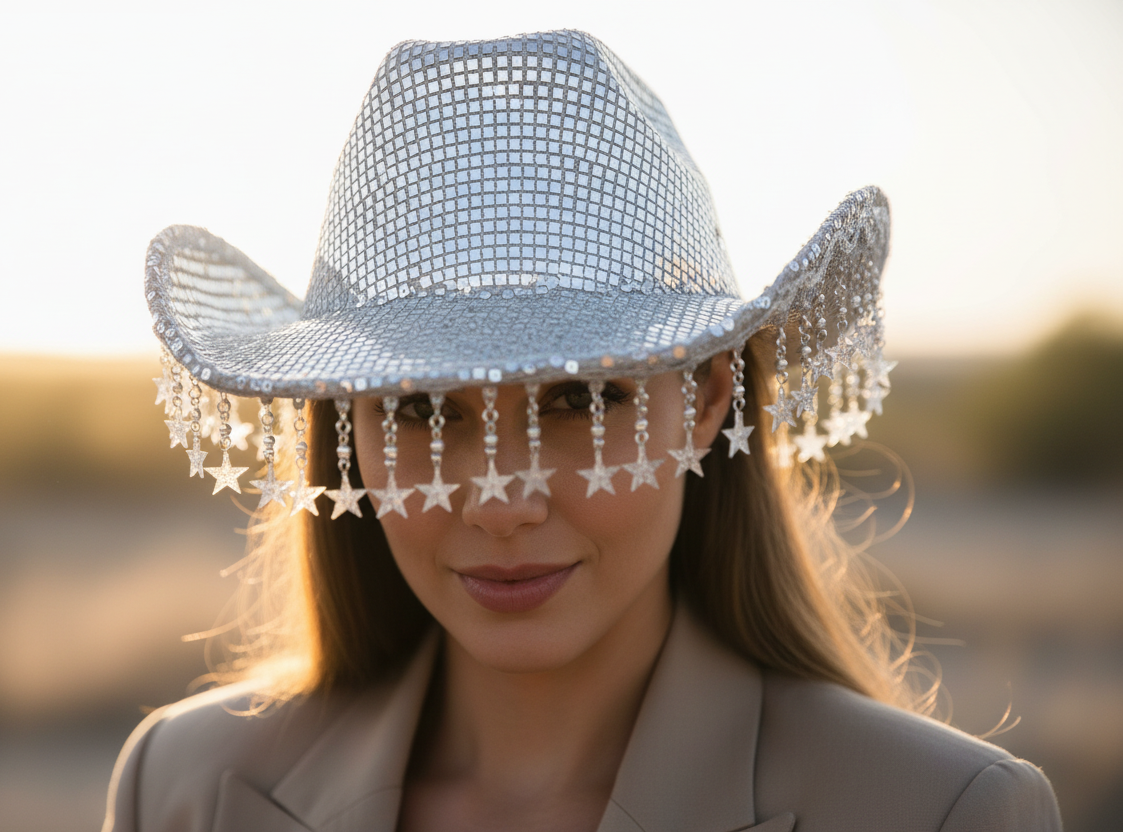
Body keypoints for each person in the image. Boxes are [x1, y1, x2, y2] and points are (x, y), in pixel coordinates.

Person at [107, 30, 1061, 832]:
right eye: (419, 410)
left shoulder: (941, 812)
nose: (500, 502)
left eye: (581, 401)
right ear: (345, 428)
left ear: (708, 400)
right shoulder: (181, 788)